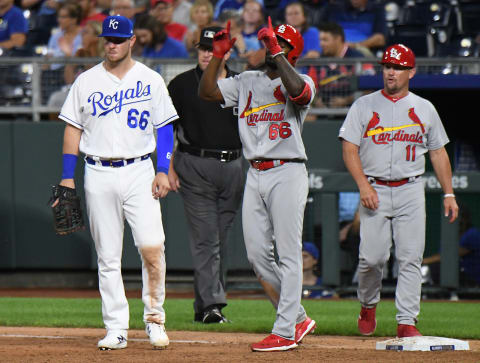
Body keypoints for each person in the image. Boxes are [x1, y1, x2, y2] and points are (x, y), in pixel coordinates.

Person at [53, 15, 177, 350]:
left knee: (152, 247)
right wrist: (68, 176)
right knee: (107, 256)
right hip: (97, 172)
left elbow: (165, 128)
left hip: (140, 170)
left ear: (132, 41)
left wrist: (163, 169)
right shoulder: (86, 81)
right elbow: (72, 129)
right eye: (108, 38)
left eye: (119, 39)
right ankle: (116, 327)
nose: (112, 44)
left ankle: (154, 319)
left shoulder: (150, 80)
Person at [199, 17, 316, 351]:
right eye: (269, 41)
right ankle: (298, 318)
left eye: (280, 43)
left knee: (289, 254)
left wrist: (277, 52)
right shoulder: (247, 80)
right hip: (255, 171)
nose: (271, 46)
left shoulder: (301, 79)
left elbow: (298, 92)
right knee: (257, 256)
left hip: (287, 170)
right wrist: (219, 55)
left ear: (293, 52)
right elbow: (206, 91)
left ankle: (285, 331)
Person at [339, 44, 459, 338]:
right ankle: (368, 304)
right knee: (372, 258)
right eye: (387, 66)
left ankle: (407, 321)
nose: (391, 71)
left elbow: (438, 152)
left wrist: (449, 192)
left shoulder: (424, 108)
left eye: (398, 67)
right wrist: (363, 185)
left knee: (410, 257)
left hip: (410, 188)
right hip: (375, 188)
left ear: (411, 72)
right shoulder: (364, 106)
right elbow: (349, 149)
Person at [167, 26, 245, 324]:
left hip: (234, 166)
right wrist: (168, 167)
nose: (207, 54)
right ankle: (213, 304)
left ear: (224, 52)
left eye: (213, 49)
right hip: (194, 164)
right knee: (206, 239)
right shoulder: (181, 84)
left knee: (220, 241)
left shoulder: (240, 82)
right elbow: (164, 129)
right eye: (203, 48)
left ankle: (204, 307)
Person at [423, 205, 480, 287]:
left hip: (470, 277)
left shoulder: (472, 234)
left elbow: (449, 255)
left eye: (460, 217)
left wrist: (423, 261)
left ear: (466, 219)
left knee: (437, 267)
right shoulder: (450, 235)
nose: (458, 220)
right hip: (455, 275)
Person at [46, 2, 83, 70]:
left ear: (74, 19)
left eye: (63, 17)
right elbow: (47, 61)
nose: (59, 20)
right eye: (59, 16)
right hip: (54, 76)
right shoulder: (55, 36)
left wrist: (68, 54)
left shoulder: (84, 35)